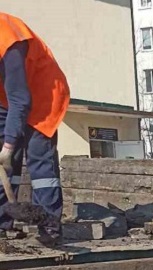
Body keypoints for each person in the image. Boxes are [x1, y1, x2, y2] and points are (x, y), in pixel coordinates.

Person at [0, 13, 70, 245]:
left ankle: (49, 226)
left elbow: (21, 99)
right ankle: (2, 222)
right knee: (4, 163)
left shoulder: (8, 39)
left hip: (42, 94)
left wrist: (9, 145)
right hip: (6, 99)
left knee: (39, 161)